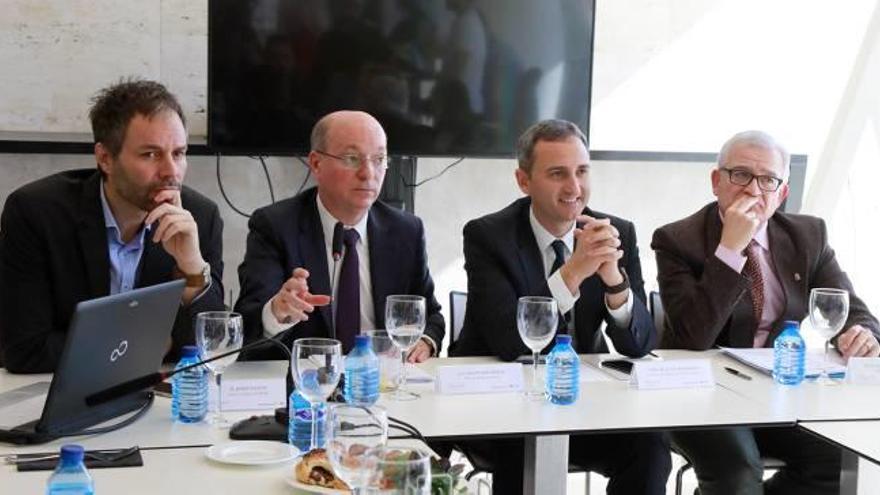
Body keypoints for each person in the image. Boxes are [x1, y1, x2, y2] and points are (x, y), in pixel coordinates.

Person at [652, 130, 880, 494]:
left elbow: (850, 310)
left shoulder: (808, 236)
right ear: (717, 181)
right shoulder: (678, 240)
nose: (753, 190)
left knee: (841, 459)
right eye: (740, 175)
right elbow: (694, 338)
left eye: (768, 180)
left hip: (775, 395)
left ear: (782, 193)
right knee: (739, 474)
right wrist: (730, 249)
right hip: (700, 397)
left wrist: (862, 334)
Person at [453, 119, 670, 494]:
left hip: (581, 401)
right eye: (557, 174)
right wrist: (572, 273)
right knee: (522, 451)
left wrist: (614, 279)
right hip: (500, 407)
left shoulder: (616, 230)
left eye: (582, 171)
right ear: (524, 181)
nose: (574, 188)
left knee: (650, 446)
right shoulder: (487, 235)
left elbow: (640, 344)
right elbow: (509, 342)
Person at [0, 79, 225, 374]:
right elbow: (25, 350)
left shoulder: (199, 217)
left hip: (152, 398)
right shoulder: (36, 213)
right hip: (50, 394)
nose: (171, 171)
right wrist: (146, 345)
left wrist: (192, 267)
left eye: (179, 153)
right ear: (105, 158)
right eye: (151, 154)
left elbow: (212, 345)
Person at [235, 110, 444, 360]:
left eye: (379, 159)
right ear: (316, 163)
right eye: (352, 158)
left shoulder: (405, 231)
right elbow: (248, 324)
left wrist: (425, 340)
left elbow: (430, 315)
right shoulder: (275, 226)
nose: (368, 173)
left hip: (381, 383)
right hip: (305, 386)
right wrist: (277, 312)